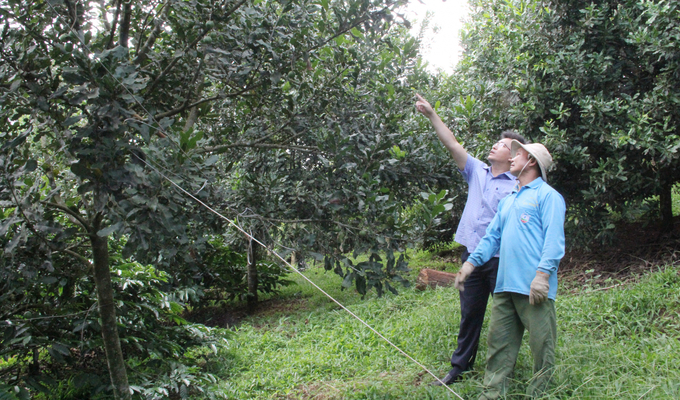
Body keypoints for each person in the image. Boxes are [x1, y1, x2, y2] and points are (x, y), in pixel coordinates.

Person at [415, 94, 527, 385]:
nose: (495, 145)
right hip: (472, 257)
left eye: (503, 145)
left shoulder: (519, 184)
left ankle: (501, 371)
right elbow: (451, 143)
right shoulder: (477, 170)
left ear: (513, 155)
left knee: (506, 318)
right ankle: (460, 368)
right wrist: (431, 114)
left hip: (503, 260)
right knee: (470, 315)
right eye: (497, 142)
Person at [455, 140, 566, 399]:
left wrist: (542, 275)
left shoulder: (548, 196)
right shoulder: (509, 200)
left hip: (532, 287)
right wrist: (470, 264)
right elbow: (492, 237)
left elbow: (554, 240)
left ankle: (540, 394)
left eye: (520, 154)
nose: (514, 157)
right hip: (504, 286)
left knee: (542, 345)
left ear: (532, 162)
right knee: (499, 345)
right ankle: (492, 394)